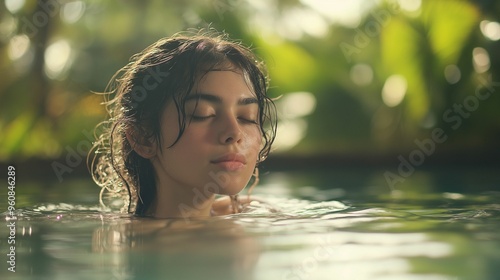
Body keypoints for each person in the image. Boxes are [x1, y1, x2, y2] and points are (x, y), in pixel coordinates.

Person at [89, 30, 277, 219]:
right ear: (143, 138)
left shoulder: (256, 214)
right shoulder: (132, 239)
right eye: (202, 113)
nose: (234, 132)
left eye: (247, 117)